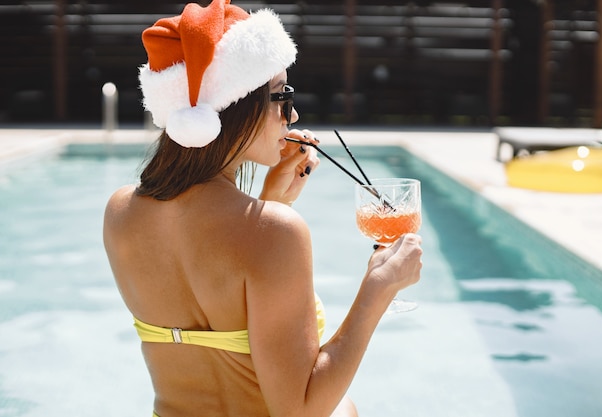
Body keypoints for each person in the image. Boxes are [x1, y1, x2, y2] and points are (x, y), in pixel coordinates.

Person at [103, 1, 423, 416]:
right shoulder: (275, 232)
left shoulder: (120, 212)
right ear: (236, 105)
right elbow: (300, 411)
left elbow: (215, 304)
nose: (292, 114)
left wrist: (271, 202)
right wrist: (378, 291)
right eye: (281, 96)